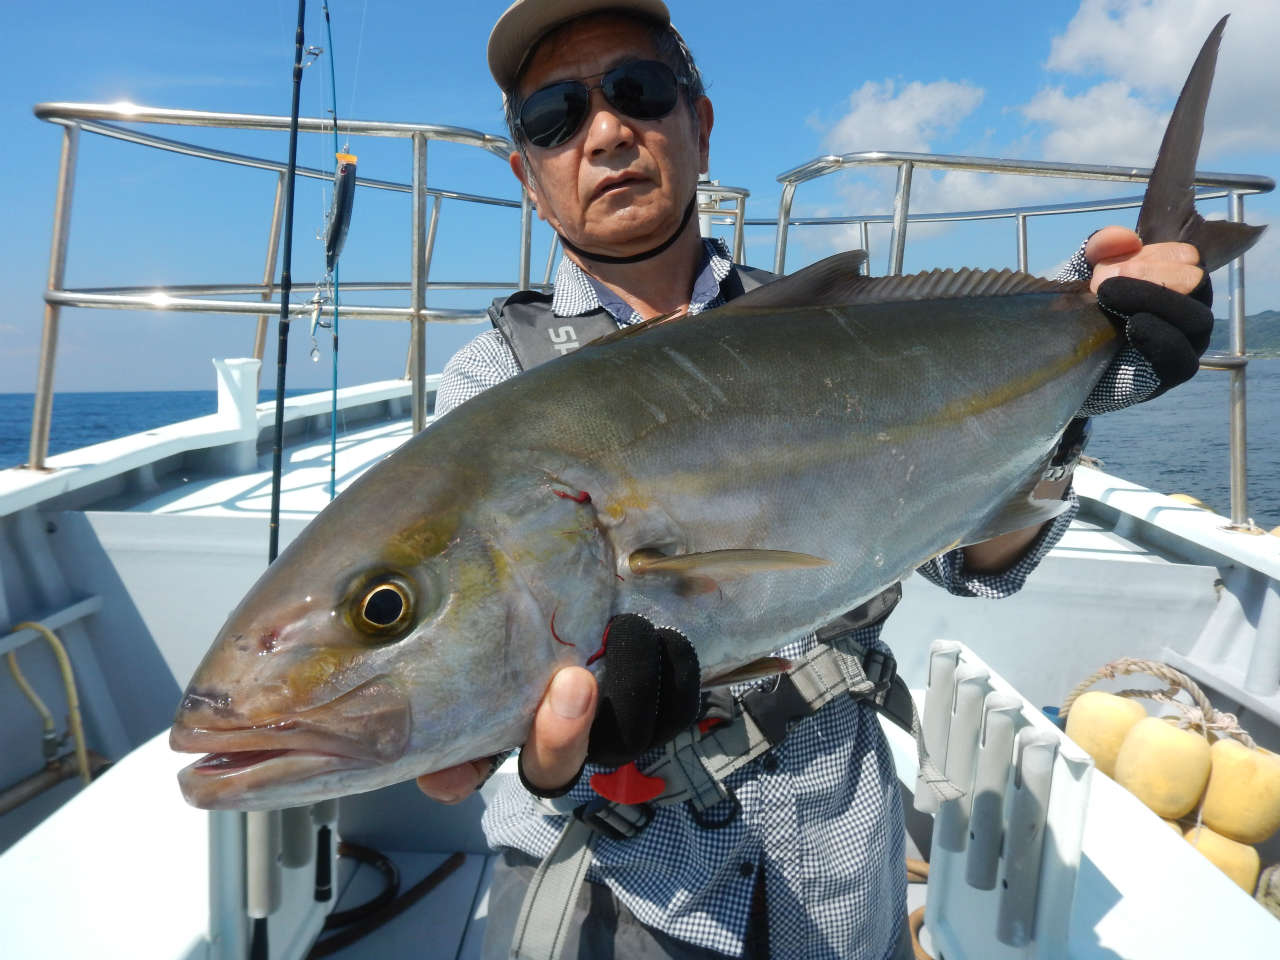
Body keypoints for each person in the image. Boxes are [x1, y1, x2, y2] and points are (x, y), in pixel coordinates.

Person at [418, 3, 1215, 958]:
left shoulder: (828, 332)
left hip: (837, 862)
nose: (606, 132)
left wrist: (1083, 366)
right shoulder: (493, 386)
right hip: (618, 881)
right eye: (554, 114)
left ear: (698, 124)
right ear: (528, 177)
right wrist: (547, 756)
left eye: (637, 90)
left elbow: (976, 563)